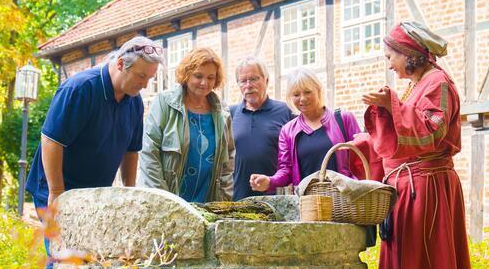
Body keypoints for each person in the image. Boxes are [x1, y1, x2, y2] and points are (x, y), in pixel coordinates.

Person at [351, 21, 481, 269]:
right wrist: (382, 112)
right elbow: (398, 142)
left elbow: (429, 133)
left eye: (391, 55)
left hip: (429, 189)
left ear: (410, 54)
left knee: (429, 268)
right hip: (413, 187)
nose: (389, 63)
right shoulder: (418, 84)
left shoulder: (438, 83)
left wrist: (389, 103)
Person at [24, 36, 164, 269]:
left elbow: (132, 150)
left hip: (94, 193)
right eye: (142, 77)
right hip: (56, 188)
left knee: (87, 262)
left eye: (149, 79)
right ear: (120, 65)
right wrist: (57, 192)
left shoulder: (133, 100)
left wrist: (129, 193)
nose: (145, 84)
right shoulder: (80, 88)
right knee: (57, 259)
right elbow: (51, 139)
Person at [139, 47, 234, 202]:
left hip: (207, 202)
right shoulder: (165, 103)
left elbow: (228, 161)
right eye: (198, 76)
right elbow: (149, 153)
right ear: (186, 74)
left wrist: (223, 201)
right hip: (167, 200)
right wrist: (165, 201)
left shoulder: (222, 111)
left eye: (211, 77)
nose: (204, 83)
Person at [249, 68, 360, 193]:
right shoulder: (288, 131)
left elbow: (362, 159)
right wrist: (270, 181)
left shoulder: (344, 119)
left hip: (345, 200)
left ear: (318, 90)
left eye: (307, 92)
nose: (302, 99)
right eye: (296, 95)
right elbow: (286, 170)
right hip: (309, 204)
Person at [230, 57, 294, 200]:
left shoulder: (286, 111)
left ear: (266, 80)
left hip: (277, 198)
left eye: (253, 79)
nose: (248, 85)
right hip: (237, 198)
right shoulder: (230, 114)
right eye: (243, 81)